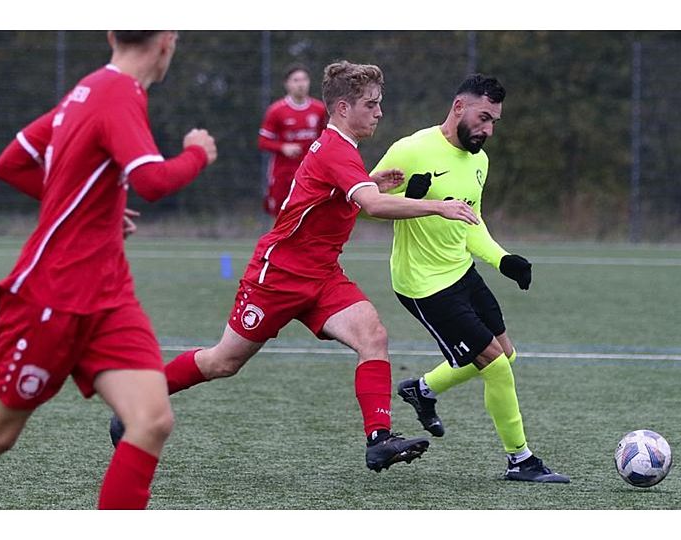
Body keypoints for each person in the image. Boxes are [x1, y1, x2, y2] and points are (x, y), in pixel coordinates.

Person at [110, 60, 480, 472]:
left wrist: (371, 180)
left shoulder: (343, 152)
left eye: (379, 104)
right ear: (343, 108)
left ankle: (379, 438)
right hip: (279, 277)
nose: (379, 112)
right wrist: (438, 206)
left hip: (322, 275)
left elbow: (347, 201)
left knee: (372, 336)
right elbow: (371, 206)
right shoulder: (336, 149)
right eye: (371, 105)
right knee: (223, 362)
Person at [0, 30, 218, 510]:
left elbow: (13, 163)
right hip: (51, 296)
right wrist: (197, 151)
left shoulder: (87, 89)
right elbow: (151, 181)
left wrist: (94, 211)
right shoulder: (116, 94)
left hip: (109, 297)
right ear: (168, 41)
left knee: (151, 418)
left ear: (112, 34)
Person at [370, 74, 569, 483]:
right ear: (459, 107)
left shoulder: (480, 161)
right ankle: (521, 461)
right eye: (483, 118)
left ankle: (421, 390)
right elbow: (363, 206)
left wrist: (503, 259)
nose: (488, 130)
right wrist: (411, 198)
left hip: (460, 271)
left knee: (506, 354)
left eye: (494, 121)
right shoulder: (410, 150)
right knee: (496, 366)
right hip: (423, 284)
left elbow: (469, 224)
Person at [257, 64, 328, 216]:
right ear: (287, 84)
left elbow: (326, 137)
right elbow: (263, 142)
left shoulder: (319, 109)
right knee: (280, 215)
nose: (301, 84)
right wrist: (283, 147)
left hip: (310, 172)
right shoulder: (276, 110)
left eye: (304, 79)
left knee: (309, 214)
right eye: (296, 80)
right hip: (283, 172)